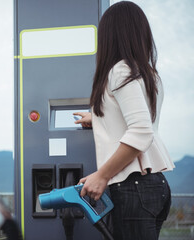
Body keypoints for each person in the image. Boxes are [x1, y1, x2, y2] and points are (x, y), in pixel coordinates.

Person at [73, 1, 175, 239]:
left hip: (133, 188)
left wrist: (102, 175)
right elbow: (137, 118)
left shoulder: (119, 70)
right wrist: (98, 117)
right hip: (154, 185)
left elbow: (140, 131)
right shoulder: (149, 74)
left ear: (110, 35)